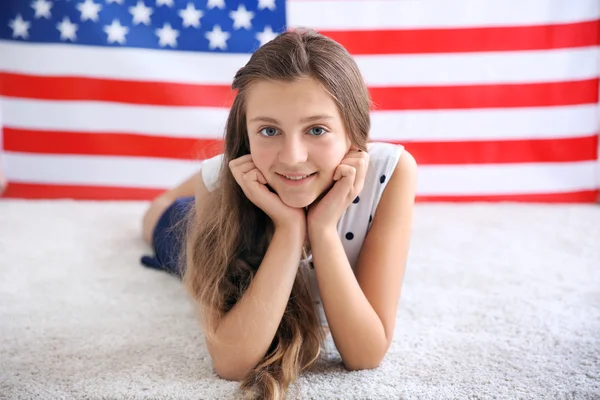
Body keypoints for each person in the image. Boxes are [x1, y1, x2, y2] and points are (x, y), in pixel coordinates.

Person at [140, 29, 417, 400]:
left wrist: (321, 228)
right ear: (245, 135)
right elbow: (232, 363)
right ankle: (182, 189)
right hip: (204, 214)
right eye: (269, 130)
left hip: (279, 182)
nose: (293, 155)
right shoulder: (217, 187)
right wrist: (288, 228)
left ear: (353, 130)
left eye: (316, 129)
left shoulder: (392, 171)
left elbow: (365, 354)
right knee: (159, 214)